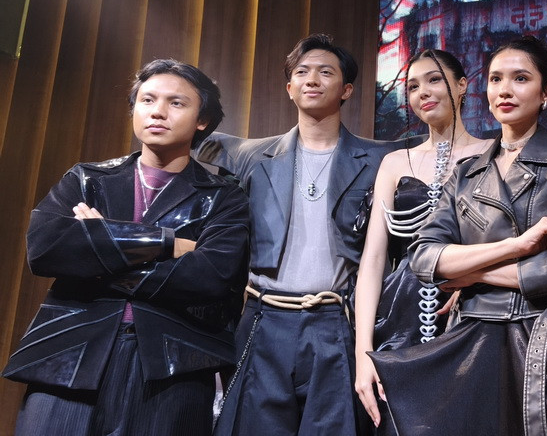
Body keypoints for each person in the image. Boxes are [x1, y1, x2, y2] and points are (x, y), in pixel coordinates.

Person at [369, 36, 547, 436]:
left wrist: (473, 274)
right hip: (470, 337)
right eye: (496, 79)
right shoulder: (466, 174)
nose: (505, 90)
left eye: (520, 78)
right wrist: (517, 245)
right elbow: (424, 257)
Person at [2, 59, 250, 436]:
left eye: (176, 103)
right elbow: (45, 248)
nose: (158, 111)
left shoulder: (223, 197)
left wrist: (102, 243)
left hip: (174, 365)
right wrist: (168, 243)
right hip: (70, 353)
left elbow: (211, 276)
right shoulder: (87, 179)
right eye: (147, 100)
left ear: (203, 119)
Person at [196, 34, 407, 436]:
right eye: (302, 72)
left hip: (337, 321)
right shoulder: (250, 155)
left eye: (325, 72)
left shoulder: (383, 158)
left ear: (347, 89)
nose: (312, 79)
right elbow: (187, 138)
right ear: (289, 87)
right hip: (262, 319)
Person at [352, 49, 489, 433]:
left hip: (468, 313)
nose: (422, 92)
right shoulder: (395, 162)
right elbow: (373, 261)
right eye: (412, 86)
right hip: (398, 318)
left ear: (461, 86)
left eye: (434, 79)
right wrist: (363, 352)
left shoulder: (491, 154)